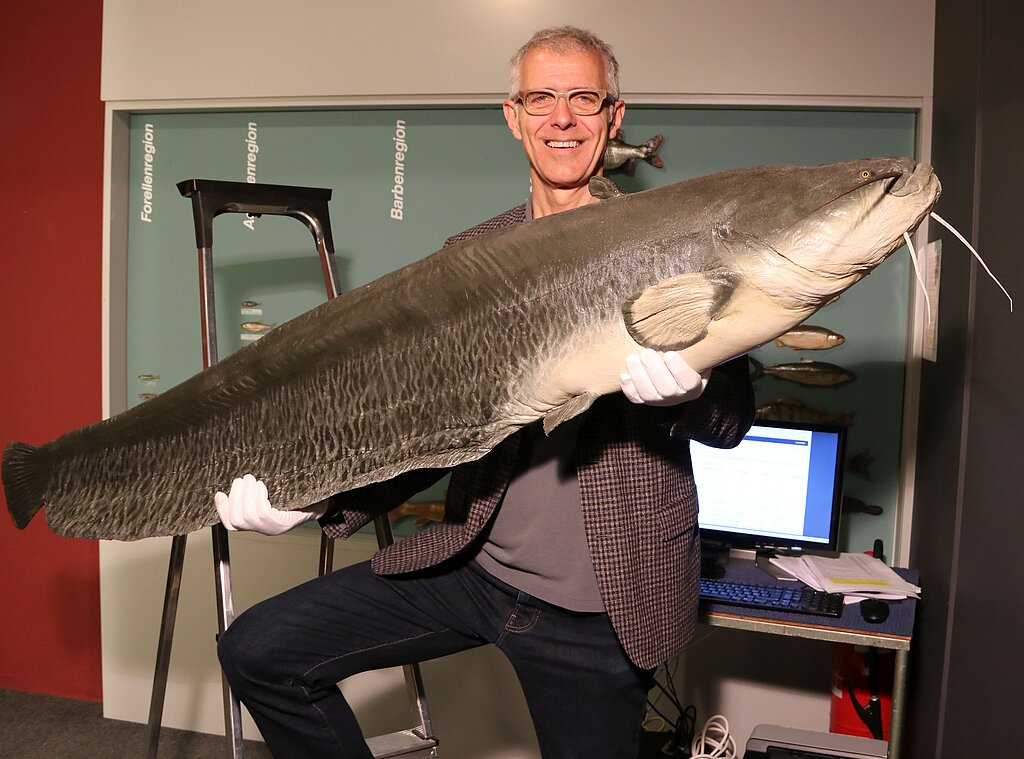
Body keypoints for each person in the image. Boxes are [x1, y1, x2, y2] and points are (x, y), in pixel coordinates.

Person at [216, 26, 754, 758]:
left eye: (582, 99)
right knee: (258, 649)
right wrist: (314, 498)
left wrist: (688, 396)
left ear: (613, 115)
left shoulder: (669, 244)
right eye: (541, 98)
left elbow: (732, 419)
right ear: (513, 115)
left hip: (600, 610)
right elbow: (421, 429)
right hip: (473, 571)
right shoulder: (469, 259)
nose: (560, 118)